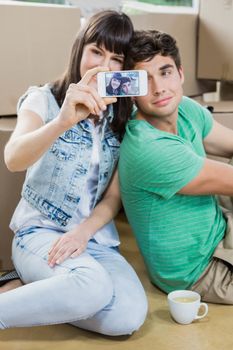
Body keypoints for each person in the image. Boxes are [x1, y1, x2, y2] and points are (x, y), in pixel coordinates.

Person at [0, 11, 148, 334]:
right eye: (96, 51)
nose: (103, 66)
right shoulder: (44, 99)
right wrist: (63, 121)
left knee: (129, 316)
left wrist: (83, 232)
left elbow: (112, 198)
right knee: (93, 288)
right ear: (80, 50)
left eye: (116, 58)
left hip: (92, 241)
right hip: (39, 234)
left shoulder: (120, 119)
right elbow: (13, 157)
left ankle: (33, 289)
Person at [119, 29, 233, 304]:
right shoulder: (147, 146)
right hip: (198, 269)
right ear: (130, 90)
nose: (159, 88)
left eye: (165, 72)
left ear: (180, 74)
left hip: (219, 228)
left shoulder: (183, 108)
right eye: (144, 80)